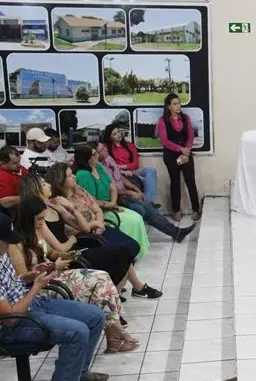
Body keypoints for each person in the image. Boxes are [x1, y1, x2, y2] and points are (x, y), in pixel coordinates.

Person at [0, 213, 108, 381]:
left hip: (32, 304)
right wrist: (35, 287)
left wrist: (30, 276)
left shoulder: (2, 255)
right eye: (5, 241)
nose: (8, 246)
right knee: (77, 331)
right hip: (16, 323)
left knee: (95, 315)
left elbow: (13, 283)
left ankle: (78, 372)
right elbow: (9, 320)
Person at [10, 196, 139, 352]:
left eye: (43, 219)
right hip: (42, 286)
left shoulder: (37, 231)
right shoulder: (15, 243)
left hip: (54, 274)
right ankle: (116, 333)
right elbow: (22, 278)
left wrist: (66, 256)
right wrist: (52, 267)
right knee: (97, 284)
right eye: (38, 219)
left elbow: (51, 253)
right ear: (27, 219)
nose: (41, 223)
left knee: (102, 277)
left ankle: (114, 334)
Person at [20, 173, 155, 302]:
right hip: (65, 254)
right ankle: (116, 294)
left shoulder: (55, 206)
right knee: (120, 252)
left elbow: (84, 227)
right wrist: (71, 239)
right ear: (36, 190)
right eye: (44, 184)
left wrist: (72, 208)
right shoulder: (39, 218)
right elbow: (59, 247)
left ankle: (116, 294)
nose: (49, 185)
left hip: (72, 248)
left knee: (124, 250)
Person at [94, 142, 195, 242]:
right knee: (144, 208)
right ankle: (176, 232)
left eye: (104, 147)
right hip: (118, 198)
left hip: (125, 193)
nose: (105, 150)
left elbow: (120, 177)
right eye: (101, 150)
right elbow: (112, 189)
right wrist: (131, 193)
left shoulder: (108, 159)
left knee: (147, 208)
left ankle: (176, 232)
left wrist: (135, 189)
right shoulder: (99, 168)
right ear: (95, 154)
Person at [72, 144, 150, 258]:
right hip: (99, 210)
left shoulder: (98, 167)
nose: (97, 155)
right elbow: (90, 200)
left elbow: (112, 186)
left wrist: (113, 203)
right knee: (131, 220)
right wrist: (108, 205)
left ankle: (135, 252)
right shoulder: (83, 174)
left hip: (110, 205)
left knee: (137, 216)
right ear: (86, 157)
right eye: (94, 154)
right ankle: (129, 254)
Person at [158, 93, 201, 222]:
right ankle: (176, 210)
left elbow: (191, 136)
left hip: (186, 153)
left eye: (179, 103)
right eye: (175, 104)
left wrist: (186, 151)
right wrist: (180, 149)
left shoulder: (185, 118)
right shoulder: (163, 120)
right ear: (168, 106)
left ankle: (196, 209)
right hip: (171, 155)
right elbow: (165, 141)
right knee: (175, 182)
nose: (178, 106)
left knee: (190, 181)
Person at [102, 124, 159, 208]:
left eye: (118, 132)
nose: (118, 135)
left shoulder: (129, 145)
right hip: (117, 173)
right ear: (110, 137)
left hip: (131, 170)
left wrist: (124, 167)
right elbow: (109, 165)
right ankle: (148, 204)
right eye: (114, 134)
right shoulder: (106, 148)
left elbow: (135, 163)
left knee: (150, 171)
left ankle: (150, 201)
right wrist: (122, 170)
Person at [0, 145, 27, 213]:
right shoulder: (2, 176)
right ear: (3, 163)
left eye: (19, 161)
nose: (19, 165)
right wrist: (28, 198)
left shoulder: (18, 168)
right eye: (14, 163)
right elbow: (4, 202)